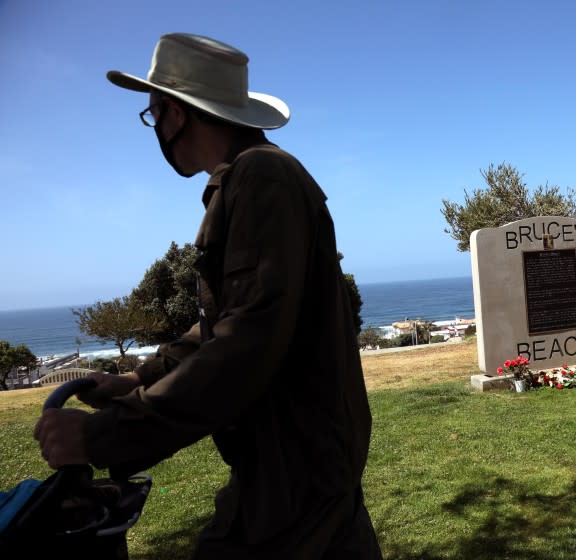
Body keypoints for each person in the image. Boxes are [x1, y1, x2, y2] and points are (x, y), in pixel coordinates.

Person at [33, 32, 382, 559]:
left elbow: (247, 342)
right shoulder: (248, 178)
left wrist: (102, 438)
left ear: (174, 114)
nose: (155, 129)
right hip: (291, 460)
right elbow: (228, 320)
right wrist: (136, 378)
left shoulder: (262, 178)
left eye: (152, 116)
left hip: (297, 465)